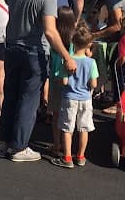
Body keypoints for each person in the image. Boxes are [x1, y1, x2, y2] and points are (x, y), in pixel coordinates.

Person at [0, 0, 75, 162]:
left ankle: (4, 141)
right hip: (34, 50)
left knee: (11, 96)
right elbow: (50, 31)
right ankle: (19, 147)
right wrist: (66, 56)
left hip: (12, 45)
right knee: (28, 100)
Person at [50, 23, 98, 169]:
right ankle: (81, 156)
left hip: (69, 97)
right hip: (85, 99)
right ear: (89, 44)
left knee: (67, 128)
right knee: (84, 128)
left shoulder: (68, 60)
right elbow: (94, 84)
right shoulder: (91, 62)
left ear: (73, 42)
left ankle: (67, 157)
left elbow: (64, 81)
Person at [45, 6, 77, 157]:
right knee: (69, 115)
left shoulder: (54, 39)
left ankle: (57, 144)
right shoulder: (73, 39)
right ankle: (67, 145)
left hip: (55, 79)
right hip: (70, 81)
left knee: (56, 114)